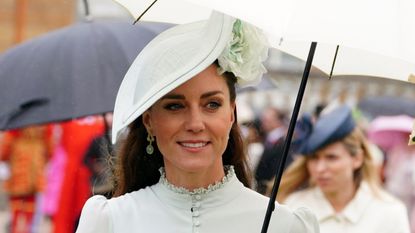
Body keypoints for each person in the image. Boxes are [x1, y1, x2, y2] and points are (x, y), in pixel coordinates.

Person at [76, 12, 319, 233]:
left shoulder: (284, 225)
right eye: (175, 106)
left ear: (231, 114)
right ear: (149, 121)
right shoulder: (109, 221)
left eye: (211, 104)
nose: (195, 123)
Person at [277, 105, 410, 233]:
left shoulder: (390, 212)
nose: (320, 168)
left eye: (331, 157)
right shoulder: (294, 207)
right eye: (314, 158)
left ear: (357, 159)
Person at [255, 107, 288, 194]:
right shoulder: (269, 138)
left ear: (278, 121)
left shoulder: (283, 140)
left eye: (267, 120)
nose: (263, 123)